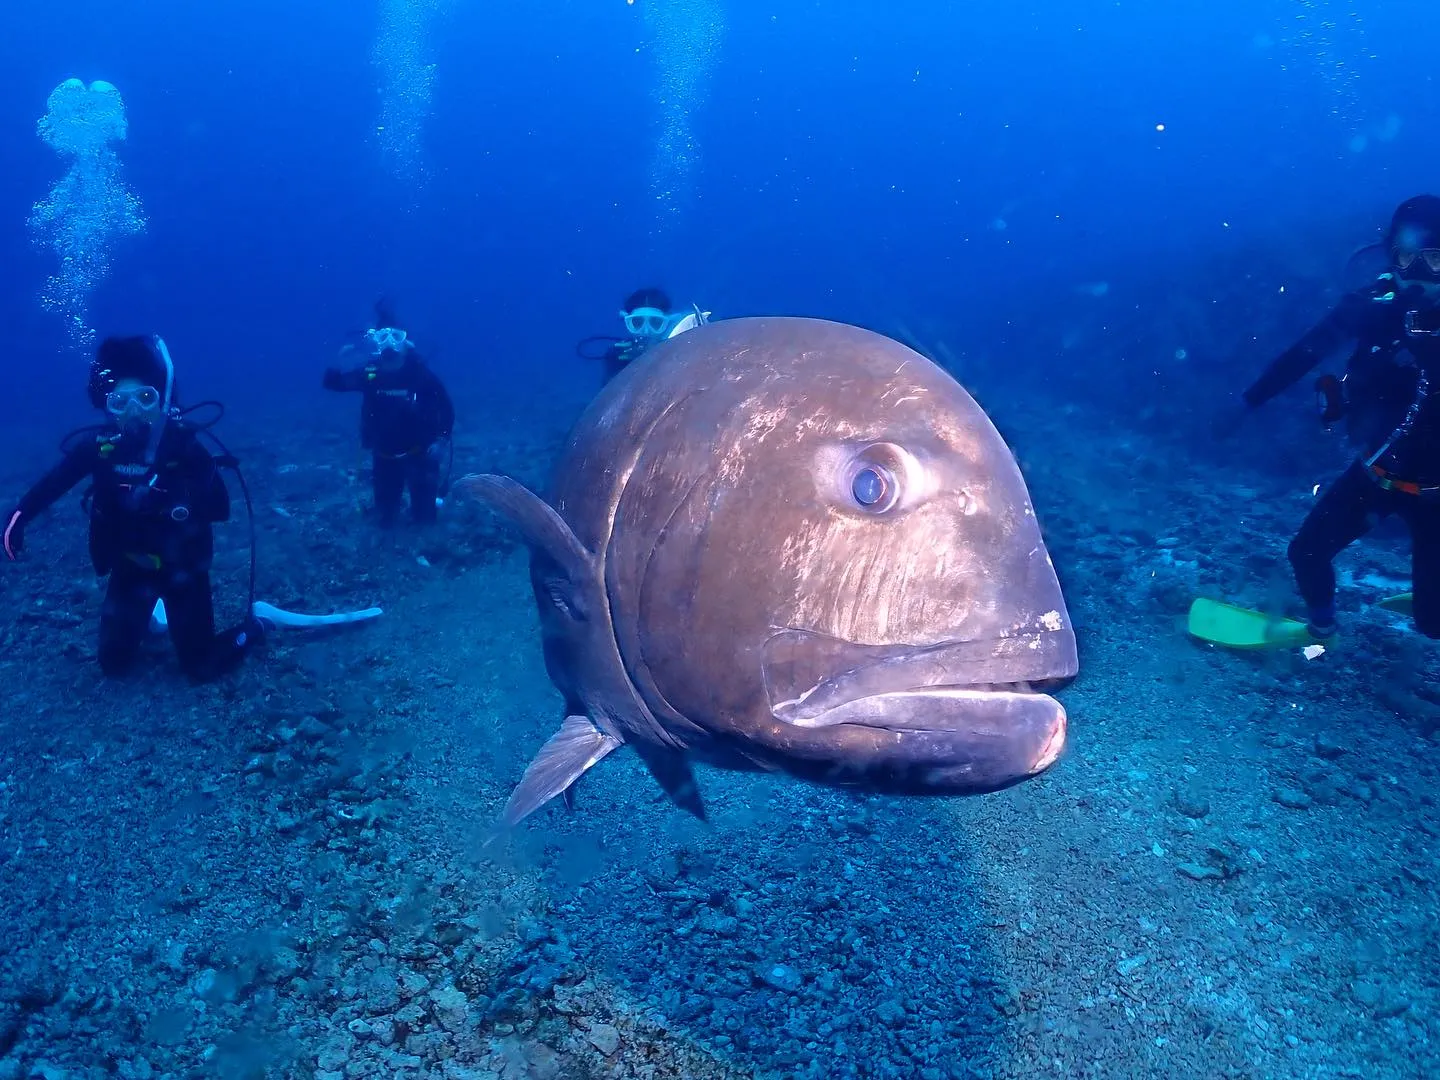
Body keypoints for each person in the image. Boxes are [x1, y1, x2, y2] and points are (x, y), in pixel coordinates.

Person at [1219, 194, 1440, 639]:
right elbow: (1304, 353)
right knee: (1306, 552)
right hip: (1376, 475)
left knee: (1432, 623)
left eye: (1433, 261)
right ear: (1389, 253)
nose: (1415, 274)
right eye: (1405, 256)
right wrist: (1248, 402)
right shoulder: (1371, 306)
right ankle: (1322, 630)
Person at [3, 335, 265, 681]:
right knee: (114, 666)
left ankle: (259, 624)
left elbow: (220, 509)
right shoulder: (101, 448)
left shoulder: (183, 445)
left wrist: (187, 476)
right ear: (107, 405)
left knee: (201, 668)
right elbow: (53, 483)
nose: (134, 411)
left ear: (162, 400)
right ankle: (154, 615)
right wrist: (17, 519)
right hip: (130, 569)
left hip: (183, 572)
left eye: (144, 398)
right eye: (120, 401)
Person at [323, 302, 454, 527]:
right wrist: (340, 361)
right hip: (384, 455)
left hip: (421, 454)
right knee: (385, 517)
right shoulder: (370, 374)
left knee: (425, 517)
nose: (390, 343)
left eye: (396, 336)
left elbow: (446, 409)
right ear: (375, 342)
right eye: (383, 337)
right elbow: (333, 383)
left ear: (406, 343)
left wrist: (441, 440)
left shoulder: (421, 375)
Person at [596, 287, 712, 383]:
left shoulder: (683, 349)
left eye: (655, 323)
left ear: (666, 323)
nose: (646, 331)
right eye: (637, 323)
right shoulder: (617, 355)